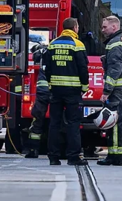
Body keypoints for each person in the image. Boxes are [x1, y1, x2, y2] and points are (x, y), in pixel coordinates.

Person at [43, 17, 89, 166]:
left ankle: (53, 157)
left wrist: (51, 84)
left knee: (54, 123)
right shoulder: (77, 45)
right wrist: (84, 87)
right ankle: (73, 156)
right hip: (73, 91)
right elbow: (83, 68)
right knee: (73, 123)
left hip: (56, 90)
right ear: (75, 28)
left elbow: (47, 68)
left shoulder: (52, 44)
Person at [97, 15, 122, 166]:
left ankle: (115, 157)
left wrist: (106, 91)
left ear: (114, 26)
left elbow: (115, 69)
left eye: (105, 27)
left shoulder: (114, 44)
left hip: (117, 90)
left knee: (114, 123)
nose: (102, 30)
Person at [24, 45, 50, 159]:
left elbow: (35, 57)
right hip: (57, 91)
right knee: (56, 122)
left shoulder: (40, 53)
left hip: (42, 92)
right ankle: (56, 152)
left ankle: (33, 150)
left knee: (37, 121)